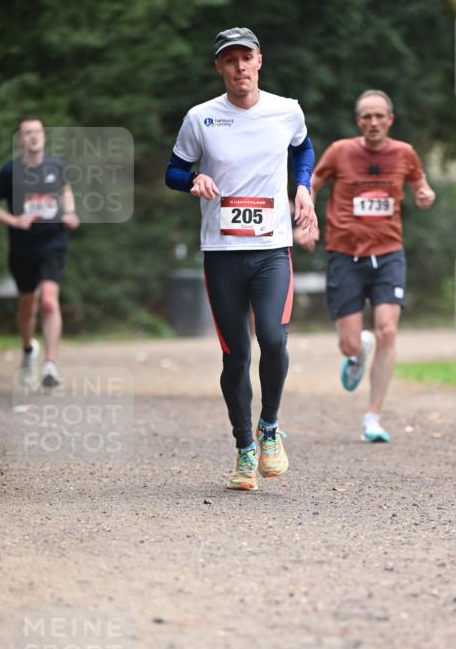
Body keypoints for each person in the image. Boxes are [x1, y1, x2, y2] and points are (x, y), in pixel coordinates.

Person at [165, 27, 318, 492]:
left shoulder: (286, 110)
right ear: (219, 67)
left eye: (245, 58)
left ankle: (269, 428)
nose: (239, 68)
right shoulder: (201, 118)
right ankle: (243, 448)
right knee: (236, 355)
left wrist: (304, 185)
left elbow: (303, 148)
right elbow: (173, 169)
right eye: (229, 60)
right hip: (222, 253)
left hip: (272, 248)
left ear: (259, 61)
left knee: (272, 338)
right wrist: (192, 181)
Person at [299, 89, 435, 443]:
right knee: (347, 344)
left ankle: (372, 417)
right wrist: (306, 220)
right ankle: (358, 350)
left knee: (388, 330)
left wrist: (424, 195)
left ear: (390, 120)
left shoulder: (404, 153)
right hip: (344, 254)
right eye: (366, 117)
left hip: (389, 252)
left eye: (380, 116)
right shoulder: (341, 151)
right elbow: (311, 184)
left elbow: (421, 186)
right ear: (358, 122)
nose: (373, 123)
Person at [0, 117, 80, 388]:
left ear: (44, 136)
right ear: (20, 139)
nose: (33, 137)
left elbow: (66, 191)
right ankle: (29, 351)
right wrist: (14, 220)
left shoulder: (57, 166)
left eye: (37, 132)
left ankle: (50, 365)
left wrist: (70, 212)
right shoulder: (9, 171)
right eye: (27, 133)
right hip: (23, 247)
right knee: (27, 305)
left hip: (53, 242)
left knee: (49, 301)